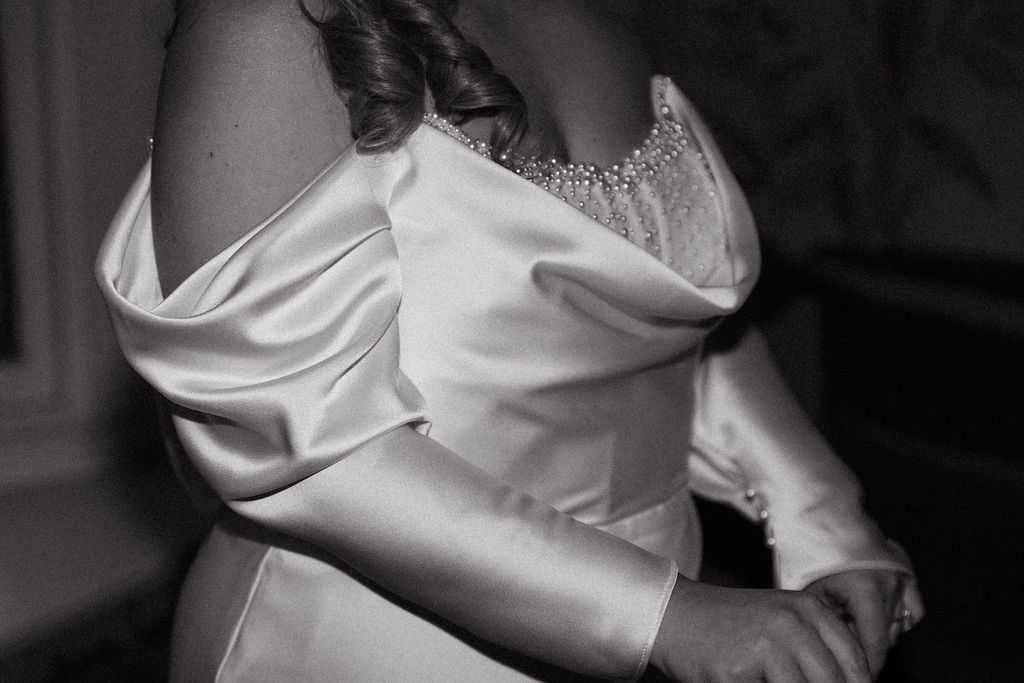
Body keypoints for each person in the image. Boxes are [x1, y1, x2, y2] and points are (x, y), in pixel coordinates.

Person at [96, 0, 923, 680]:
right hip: (360, 641)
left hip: (656, 630)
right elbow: (302, 438)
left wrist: (820, 512)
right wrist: (659, 613)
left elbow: (666, 320)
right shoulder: (270, 22)